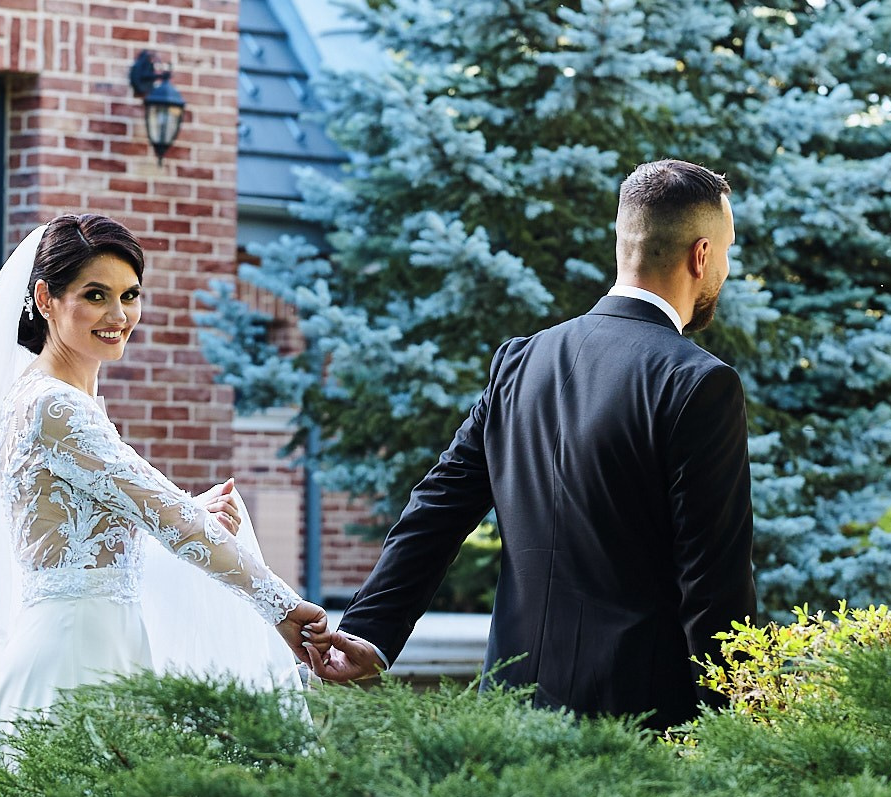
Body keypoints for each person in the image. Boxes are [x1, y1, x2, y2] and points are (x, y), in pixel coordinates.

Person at [311, 160, 757, 732]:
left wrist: (370, 630)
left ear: (622, 243)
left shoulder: (521, 363)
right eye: (726, 253)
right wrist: (740, 726)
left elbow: (437, 512)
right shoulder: (697, 382)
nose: (724, 267)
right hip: (639, 731)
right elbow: (714, 587)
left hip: (511, 718)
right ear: (701, 256)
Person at [0, 214, 326, 749]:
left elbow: (110, 526)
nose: (118, 315)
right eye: (96, 295)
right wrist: (283, 609)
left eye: (130, 295)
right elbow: (168, 518)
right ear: (46, 298)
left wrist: (189, 514)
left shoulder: (48, 396)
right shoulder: (55, 406)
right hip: (75, 658)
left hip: (103, 645)